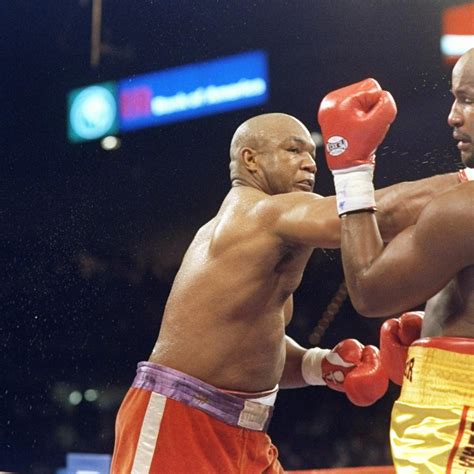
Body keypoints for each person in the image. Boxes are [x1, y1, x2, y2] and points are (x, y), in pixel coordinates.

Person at [110, 83, 465, 473]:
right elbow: (370, 216)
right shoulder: (257, 213)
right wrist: (465, 182)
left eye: (312, 153)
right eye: (294, 150)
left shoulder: (273, 237)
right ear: (250, 160)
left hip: (247, 431)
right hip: (180, 422)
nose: (310, 163)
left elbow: (250, 345)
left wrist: (319, 365)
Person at [320, 48, 474, 473]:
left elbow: (369, 292)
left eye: (468, 99)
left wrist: (351, 170)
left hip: (458, 414)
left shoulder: (464, 209)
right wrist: (441, 331)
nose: (452, 116)